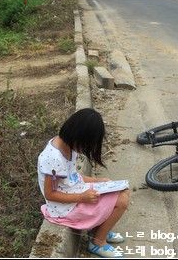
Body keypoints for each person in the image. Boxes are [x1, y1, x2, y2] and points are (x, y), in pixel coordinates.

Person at [37, 108, 130, 258]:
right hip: (64, 209)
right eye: (86, 144)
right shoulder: (53, 159)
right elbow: (50, 194)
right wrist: (82, 198)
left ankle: (99, 231)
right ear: (78, 135)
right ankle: (97, 242)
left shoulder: (67, 145)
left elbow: (72, 177)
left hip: (75, 192)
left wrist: (98, 181)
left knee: (121, 190)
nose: (84, 149)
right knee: (122, 200)